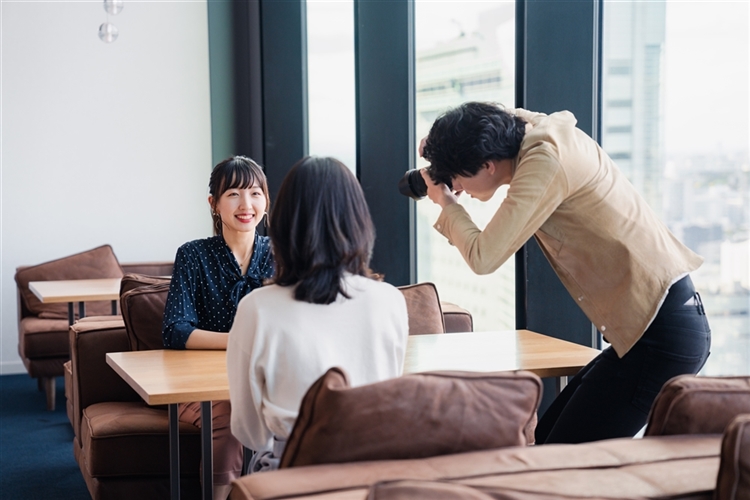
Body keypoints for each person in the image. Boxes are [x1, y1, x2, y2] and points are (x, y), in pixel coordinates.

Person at [419, 101, 711, 444]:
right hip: (647, 332)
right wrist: (440, 145)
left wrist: (448, 206)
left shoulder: (544, 162)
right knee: (542, 446)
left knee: (557, 461)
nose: (455, 185)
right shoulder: (538, 133)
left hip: (660, 338)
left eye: (456, 176)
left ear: (488, 165)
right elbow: (503, 114)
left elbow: (483, 257)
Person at [227, 156, 409, 471]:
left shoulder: (257, 308)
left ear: (283, 224)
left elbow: (251, 434)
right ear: (359, 222)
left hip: (294, 473)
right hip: (376, 472)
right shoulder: (390, 300)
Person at [162, 156, 274, 499]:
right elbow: (175, 330)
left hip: (265, 376)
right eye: (234, 194)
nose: (246, 205)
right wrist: (238, 341)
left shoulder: (283, 254)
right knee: (228, 415)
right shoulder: (193, 255)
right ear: (214, 204)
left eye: (255, 193)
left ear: (266, 201)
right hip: (202, 384)